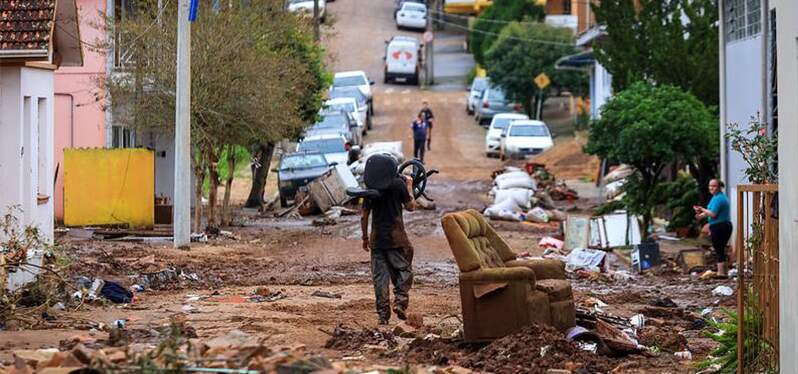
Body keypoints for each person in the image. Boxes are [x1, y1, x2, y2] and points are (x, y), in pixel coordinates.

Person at [361, 155, 417, 324]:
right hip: (396, 238)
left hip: (377, 240)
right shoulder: (398, 184)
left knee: (380, 278)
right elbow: (411, 206)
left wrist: (365, 237)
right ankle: (400, 301)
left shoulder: (370, 190)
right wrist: (409, 185)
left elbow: (364, 216)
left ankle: (383, 316)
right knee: (405, 270)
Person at [694, 179, 732, 277]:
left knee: (719, 248)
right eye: (710, 186)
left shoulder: (719, 198)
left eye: (714, 186)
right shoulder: (715, 197)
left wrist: (702, 209)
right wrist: (700, 214)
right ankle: (725, 272)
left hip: (720, 226)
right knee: (720, 249)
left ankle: (721, 273)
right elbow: (709, 212)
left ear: (719, 187)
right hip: (719, 225)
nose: (711, 188)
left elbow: (713, 214)